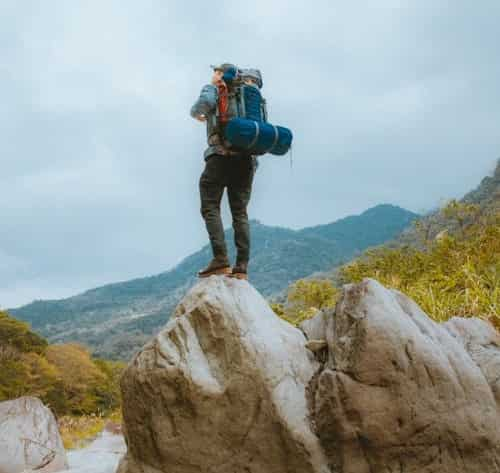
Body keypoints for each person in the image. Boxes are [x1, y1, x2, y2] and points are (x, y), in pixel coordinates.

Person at [190, 63, 259, 280]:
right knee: (240, 212)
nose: (213, 74)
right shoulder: (250, 97)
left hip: (219, 157)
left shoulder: (217, 90)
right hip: (247, 160)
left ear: (221, 74)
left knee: (210, 206)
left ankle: (220, 260)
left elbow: (200, 107)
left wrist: (210, 87)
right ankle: (241, 267)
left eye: (216, 71)